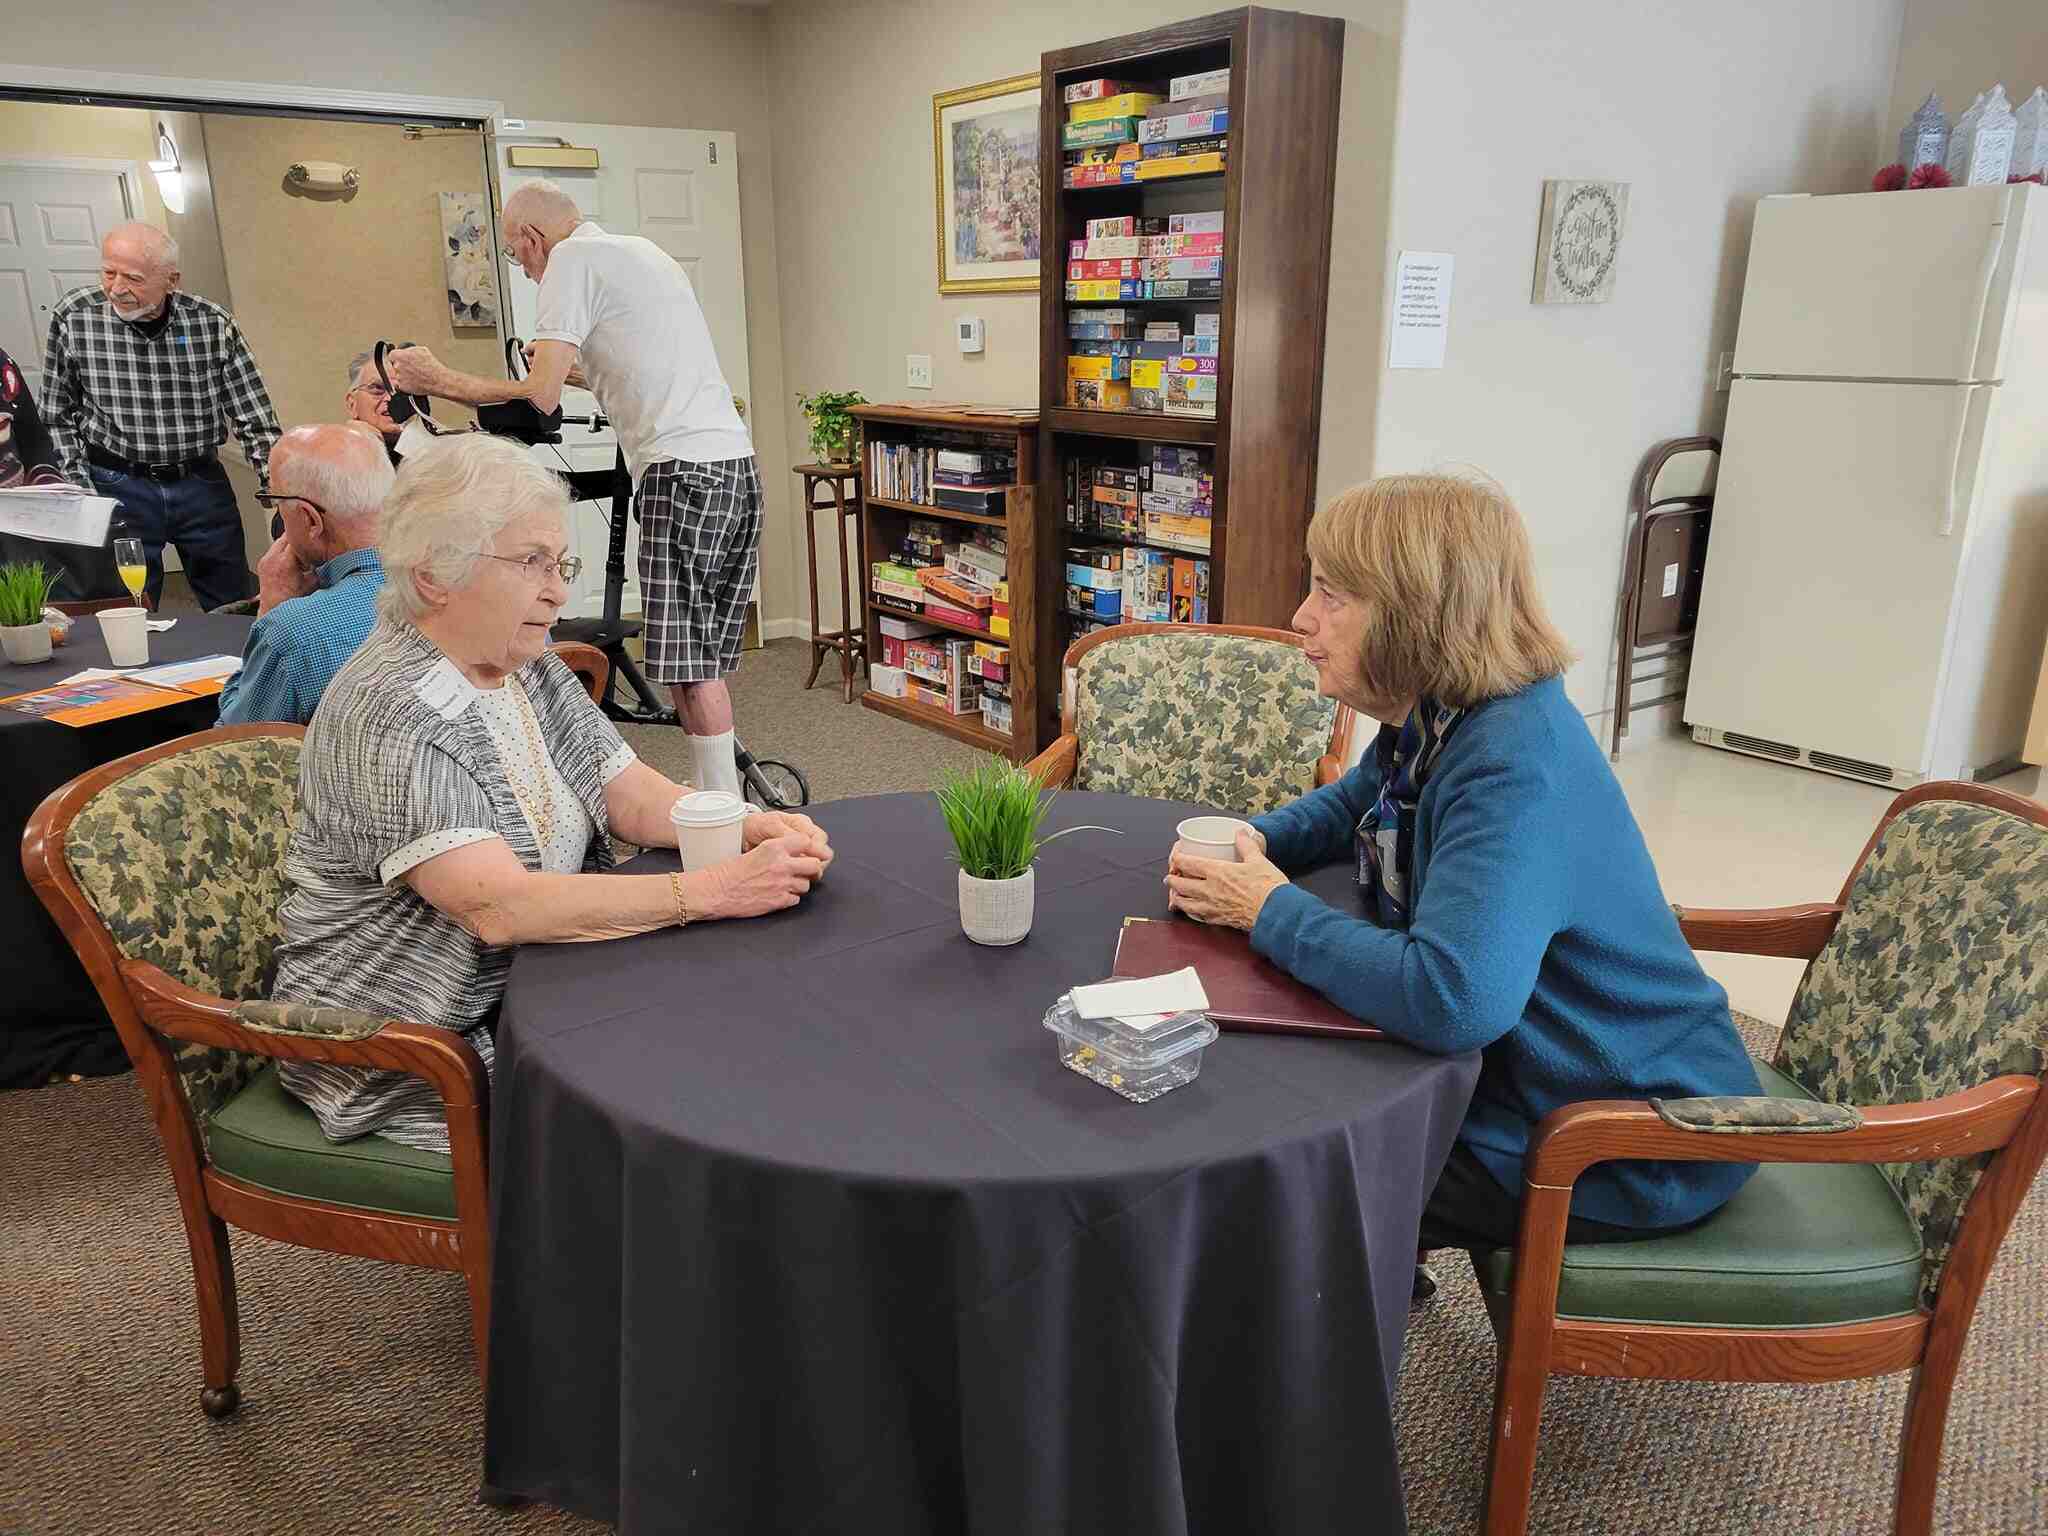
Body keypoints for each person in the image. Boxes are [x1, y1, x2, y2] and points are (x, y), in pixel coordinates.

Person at [1165, 472, 1761, 1282]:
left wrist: (1269, 910)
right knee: (1288, 1098)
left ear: (1418, 616)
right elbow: (1358, 800)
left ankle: (1319, 1350)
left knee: (1271, 1180)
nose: (1302, 619)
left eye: (1333, 595)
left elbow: (1452, 999)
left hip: (1626, 1137)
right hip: (1534, 1080)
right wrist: (1253, 841)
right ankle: (1364, 1287)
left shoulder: (1515, 766)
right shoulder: (1453, 706)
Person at [270, 433, 830, 1152]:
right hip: (424, 1039)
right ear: (437, 573)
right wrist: (716, 890)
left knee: (747, 1008)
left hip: (548, 982)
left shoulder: (523, 663)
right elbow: (498, 908)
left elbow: (625, 791)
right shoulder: (384, 710)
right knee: (701, 1079)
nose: (559, 589)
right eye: (532, 562)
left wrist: (745, 824)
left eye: (558, 562)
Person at [383, 180, 759, 796]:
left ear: (532, 239)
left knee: (689, 671)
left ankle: (719, 812)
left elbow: (540, 398)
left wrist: (440, 378)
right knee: (706, 660)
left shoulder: (568, 261)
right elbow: (630, 368)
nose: (525, 272)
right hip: (733, 467)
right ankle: (722, 796)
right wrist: (563, 369)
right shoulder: (642, 253)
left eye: (514, 255)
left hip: (679, 474)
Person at [41, 222, 280, 611]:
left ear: (171, 281)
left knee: (234, 604)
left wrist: (280, 491)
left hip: (200, 484)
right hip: (117, 484)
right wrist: (82, 492)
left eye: (133, 278)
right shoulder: (75, 316)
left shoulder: (211, 323)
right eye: (108, 272)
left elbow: (255, 417)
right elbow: (55, 416)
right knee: (129, 608)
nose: (117, 288)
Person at [216, 424, 392, 726]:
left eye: (274, 500)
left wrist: (271, 608)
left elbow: (234, 740)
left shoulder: (294, 631)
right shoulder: (458, 587)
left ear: (310, 520)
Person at [342, 349, 405, 465]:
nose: (391, 399)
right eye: (377, 389)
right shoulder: (331, 456)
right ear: (352, 404)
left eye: (402, 392)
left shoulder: (434, 453)